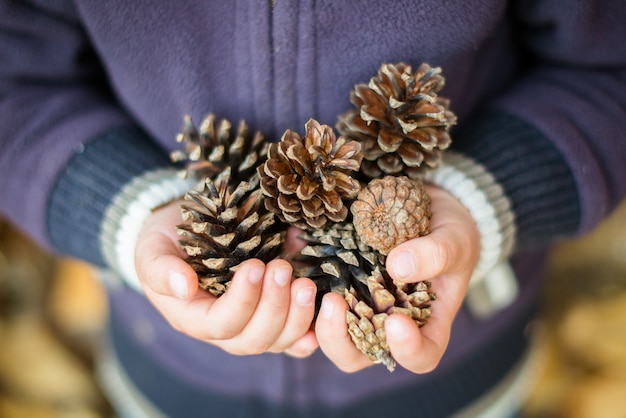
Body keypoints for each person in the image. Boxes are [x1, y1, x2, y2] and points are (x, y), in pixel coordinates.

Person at [1, 1, 625, 417]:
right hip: (176, 376)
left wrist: (487, 196)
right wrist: (129, 209)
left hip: (452, 382)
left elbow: (607, 71)